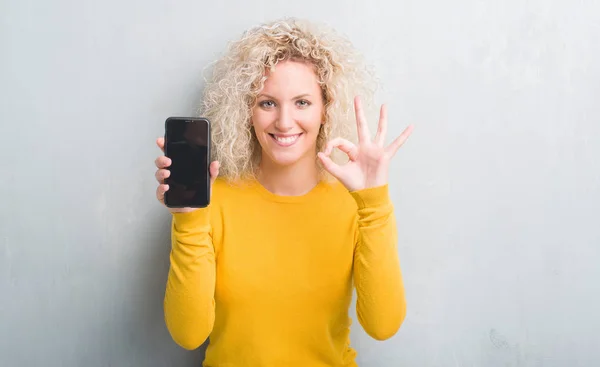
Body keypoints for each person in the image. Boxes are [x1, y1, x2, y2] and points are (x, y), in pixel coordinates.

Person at [154, 17, 414, 367]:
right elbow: (188, 334)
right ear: (247, 111)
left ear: (326, 109)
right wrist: (188, 222)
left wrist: (375, 203)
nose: (285, 122)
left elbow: (383, 325)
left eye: (303, 102)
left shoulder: (355, 205)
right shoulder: (213, 201)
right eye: (267, 103)